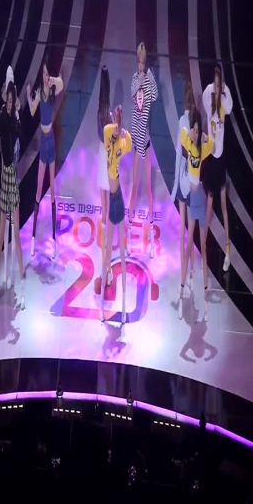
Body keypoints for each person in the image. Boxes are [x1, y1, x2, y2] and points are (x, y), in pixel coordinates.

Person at [26, 53, 63, 260]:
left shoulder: (53, 89)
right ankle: (32, 238)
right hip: (44, 139)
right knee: (39, 189)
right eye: (43, 73)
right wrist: (29, 95)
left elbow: (62, 85)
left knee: (53, 190)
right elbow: (32, 111)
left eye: (47, 73)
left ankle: (54, 241)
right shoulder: (41, 91)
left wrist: (53, 79)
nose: (45, 76)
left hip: (52, 143)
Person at [178, 108, 213, 320]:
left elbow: (212, 146)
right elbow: (182, 135)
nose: (196, 133)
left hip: (199, 196)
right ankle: (181, 291)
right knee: (188, 242)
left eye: (198, 131)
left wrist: (207, 138)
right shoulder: (189, 144)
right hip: (192, 198)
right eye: (195, 130)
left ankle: (206, 302)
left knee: (203, 246)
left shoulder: (201, 149)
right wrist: (189, 132)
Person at [0, 82, 25, 308]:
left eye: (13, 101)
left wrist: (17, 110)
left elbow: (16, 132)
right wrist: (4, 93)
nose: (11, 103)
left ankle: (22, 289)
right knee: (1, 235)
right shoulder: (3, 116)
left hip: (11, 178)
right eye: (9, 100)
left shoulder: (13, 121)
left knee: (17, 236)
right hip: (4, 179)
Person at [100, 105, 132, 323]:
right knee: (107, 252)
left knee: (120, 251)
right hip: (111, 200)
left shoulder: (121, 142)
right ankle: (102, 307)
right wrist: (116, 124)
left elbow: (129, 142)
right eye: (116, 124)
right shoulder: (107, 135)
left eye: (118, 125)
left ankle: (123, 306)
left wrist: (124, 131)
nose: (116, 128)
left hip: (118, 198)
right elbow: (108, 130)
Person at [127, 42, 158, 258]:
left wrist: (150, 78)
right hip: (136, 137)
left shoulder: (147, 80)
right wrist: (139, 78)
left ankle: (153, 240)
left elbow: (154, 96)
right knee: (134, 185)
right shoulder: (134, 80)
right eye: (138, 62)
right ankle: (129, 234)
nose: (140, 65)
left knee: (147, 187)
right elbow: (133, 94)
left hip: (145, 138)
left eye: (143, 62)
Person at [202, 65, 233, 272]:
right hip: (211, 159)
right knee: (209, 205)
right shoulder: (208, 98)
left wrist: (225, 89)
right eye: (215, 83)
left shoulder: (223, 101)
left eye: (219, 84)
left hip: (221, 159)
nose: (217, 86)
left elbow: (229, 107)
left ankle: (227, 252)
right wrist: (214, 87)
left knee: (223, 206)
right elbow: (207, 95)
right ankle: (203, 246)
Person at [171, 80, 195, 291]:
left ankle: (186, 274)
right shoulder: (193, 123)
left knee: (184, 232)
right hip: (189, 182)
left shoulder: (185, 122)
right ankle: (187, 274)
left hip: (186, 182)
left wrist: (174, 186)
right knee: (188, 232)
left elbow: (180, 154)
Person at [1, 66, 20, 289]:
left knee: (13, 224)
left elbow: (16, 141)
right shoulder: (4, 115)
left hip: (13, 173)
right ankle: (5, 271)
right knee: (5, 224)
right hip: (6, 173)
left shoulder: (15, 116)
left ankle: (12, 273)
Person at [97, 66, 113, 285]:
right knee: (105, 211)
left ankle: (106, 268)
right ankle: (105, 268)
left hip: (104, 157)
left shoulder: (102, 114)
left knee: (105, 210)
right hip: (105, 158)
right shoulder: (105, 115)